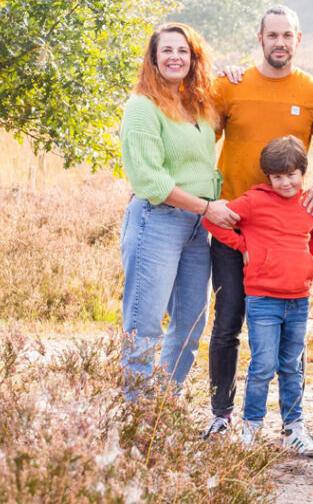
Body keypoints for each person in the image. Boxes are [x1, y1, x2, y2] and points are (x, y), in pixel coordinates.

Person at [204, 5, 313, 438]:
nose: (280, 42)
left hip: (283, 235)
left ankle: (291, 422)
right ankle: (222, 416)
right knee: (228, 322)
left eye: (288, 36)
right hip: (233, 221)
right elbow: (201, 135)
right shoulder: (229, 85)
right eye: (272, 35)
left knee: (288, 333)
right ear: (259, 39)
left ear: (299, 40)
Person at [202, 136, 313, 457]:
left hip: (299, 300)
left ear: (304, 172)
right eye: (277, 177)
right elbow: (212, 220)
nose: (285, 182)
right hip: (263, 300)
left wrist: (300, 256)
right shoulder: (253, 201)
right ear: (268, 177)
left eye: (292, 175)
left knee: (291, 366)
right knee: (263, 365)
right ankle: (252, 427)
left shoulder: (309, 203)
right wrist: (247, 248)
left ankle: (292, 429)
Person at [118, 22, 227, 397]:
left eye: (183, 51)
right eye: (167, 50)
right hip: (157, 220)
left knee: (190, 325)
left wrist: (233, 76)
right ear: (153, 58)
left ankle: (161, 407)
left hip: (197, 228)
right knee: (144, 324)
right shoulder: (142, 107)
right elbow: (150, 180)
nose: (175, 57)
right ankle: (136, 415)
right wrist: (207, 208)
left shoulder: (198, 105)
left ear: (193, 58)